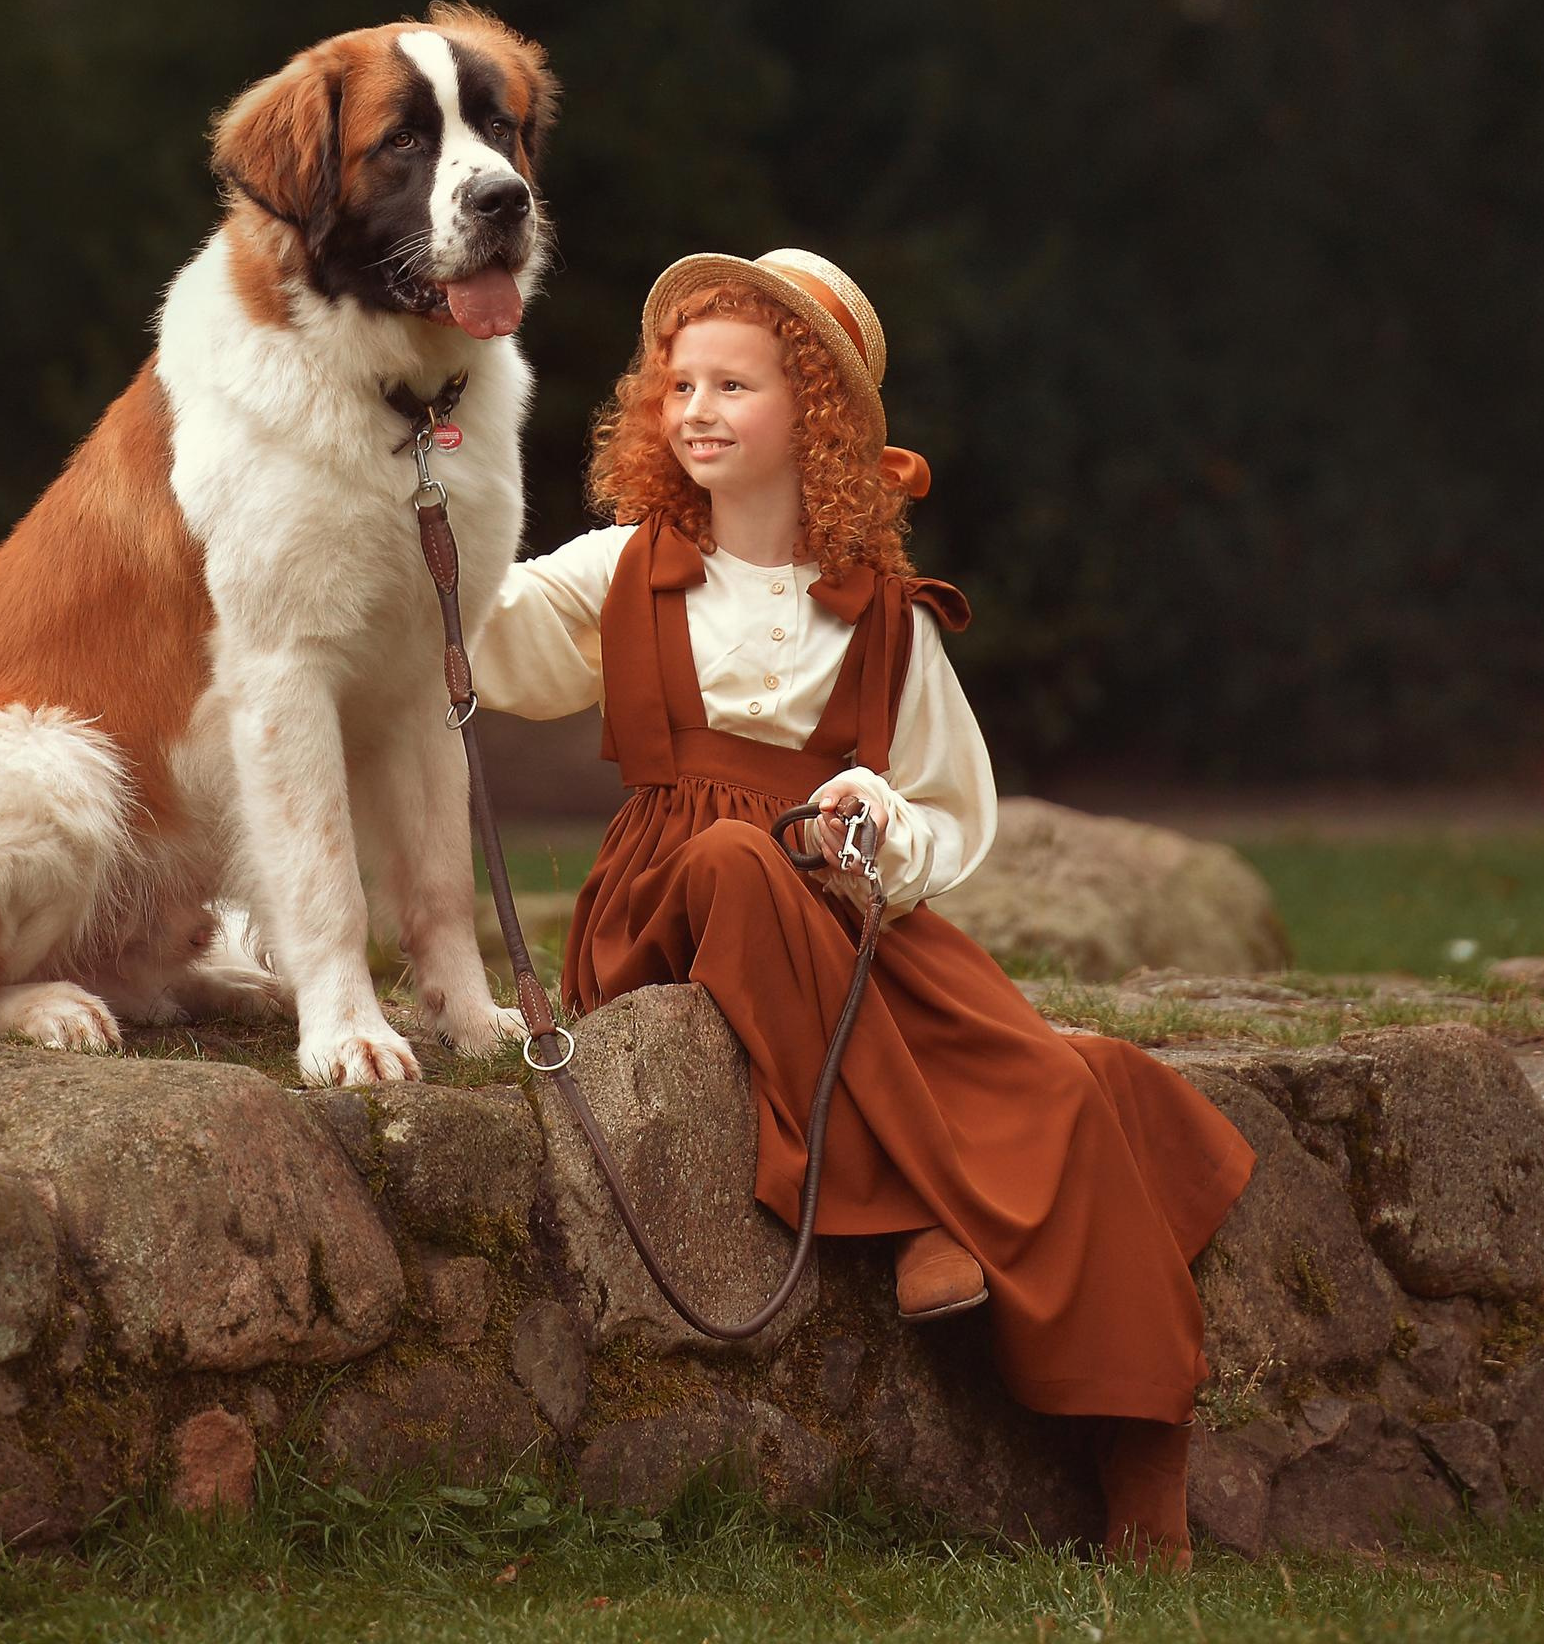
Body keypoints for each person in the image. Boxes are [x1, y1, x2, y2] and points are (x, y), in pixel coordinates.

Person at [470, 249, 1255, 1566]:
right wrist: (435, 500)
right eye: (681, 386)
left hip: (837, 920)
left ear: (817, 416)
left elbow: (949, 810)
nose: (699, 409)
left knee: (1074, 1083)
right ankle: (915, 1208)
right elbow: (482, 634)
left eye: (737, 384)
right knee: (732, 867)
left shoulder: (888, 621)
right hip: (669, 903)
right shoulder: (619, 569)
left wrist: (873, 827)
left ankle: (1142, 1458)